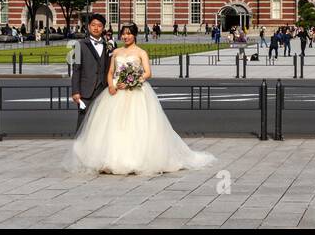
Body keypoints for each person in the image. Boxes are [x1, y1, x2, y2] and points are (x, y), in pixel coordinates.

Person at [66, 23, 215, 176]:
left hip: (135, 91)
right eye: (124, 34)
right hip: (117, 91)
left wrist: (132, 81)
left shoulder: (141, 52)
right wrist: (111, 85)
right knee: (113, 126)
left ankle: (135, 159)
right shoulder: (116, 51)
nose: (126, 36)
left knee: (137, 125)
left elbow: (148, 73)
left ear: (135, 35)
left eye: (129, 34)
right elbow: (110, 72)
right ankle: (111, 159)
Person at [70, 14, 113, 129]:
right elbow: (76, 69)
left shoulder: (108, 46)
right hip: (85, 91)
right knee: (83, 122)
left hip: (103, 90)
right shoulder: (79, 45)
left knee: (101, 123)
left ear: (103, 28)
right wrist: (75, 91)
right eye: (93, 25)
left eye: (99, 26)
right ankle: (80, 145)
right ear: (88, 27)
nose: (96, 28)